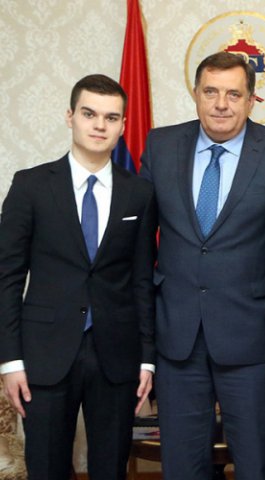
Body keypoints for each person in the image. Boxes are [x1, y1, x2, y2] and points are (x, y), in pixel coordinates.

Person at [139, 52, 265, 480]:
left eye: (233, 94)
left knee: (255, 465)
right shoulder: (160, 146)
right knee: (182, 467)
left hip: (254, 341)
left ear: (251, 100)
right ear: (196, 94)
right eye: (210, 92)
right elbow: (138, 246)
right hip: (177, 340)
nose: (221, 104)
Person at [0, 74, 157, 480]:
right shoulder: (31, 186)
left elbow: (143, 280)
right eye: (89, 114)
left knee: (111, 469)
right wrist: (10, 361)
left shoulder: (140, 193)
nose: (100, 125)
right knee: (46, 468)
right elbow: (8, 278)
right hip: (44, 355)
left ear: (123, 125)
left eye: (111, 117)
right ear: (70, 116)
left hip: (117, 356)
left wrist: (147, 358)